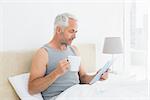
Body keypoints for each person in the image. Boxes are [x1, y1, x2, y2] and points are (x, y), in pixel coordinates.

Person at [28, 13, 109, 100]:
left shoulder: (74, 50)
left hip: (77, 93)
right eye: (71, 31)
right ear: (59, 30)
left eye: (76, 32)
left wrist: (96, 76)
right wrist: (56, 73)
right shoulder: (43, 53)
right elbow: (32, 89)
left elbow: (83, 77)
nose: (75, 36)